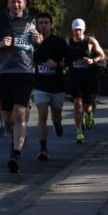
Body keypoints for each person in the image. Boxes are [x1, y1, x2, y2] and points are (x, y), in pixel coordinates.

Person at [0, 0, 43, 174]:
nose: (16, 5)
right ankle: (14, 139)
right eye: (13, 2)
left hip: (25, 73)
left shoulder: (32, 21)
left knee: (20, 114)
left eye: (19, 2)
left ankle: (16, 153)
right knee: (8, 119)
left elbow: (38, 41)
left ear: (24, 4)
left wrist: (39, 39)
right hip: (5, 74)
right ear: (8, 4)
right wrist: (0, 44)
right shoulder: (0, 21)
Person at [31, 11, 68, 160]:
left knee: (56, 114)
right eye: (40, 23)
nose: (43, 26)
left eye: (46, 23)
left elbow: (68, 61)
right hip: (40, 85)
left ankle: (57, 123)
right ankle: (43, 148)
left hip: (57, 85)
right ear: (36, 25)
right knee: (42, 114)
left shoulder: (59, 42)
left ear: (51, 25)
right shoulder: (31, 43)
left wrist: (57, 64)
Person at [67, 18, 106, 143]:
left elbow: (102, 55)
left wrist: (92, 61)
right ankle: (79, 132)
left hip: (90, 77)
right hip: (75, 77)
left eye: (80, 30)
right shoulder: (69, 42)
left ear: (83, 30)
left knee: (88, 106)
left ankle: (89, 115)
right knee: (77, 104)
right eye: (75, 30)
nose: (77, 32)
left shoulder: (90, 41)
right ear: (72, 30)